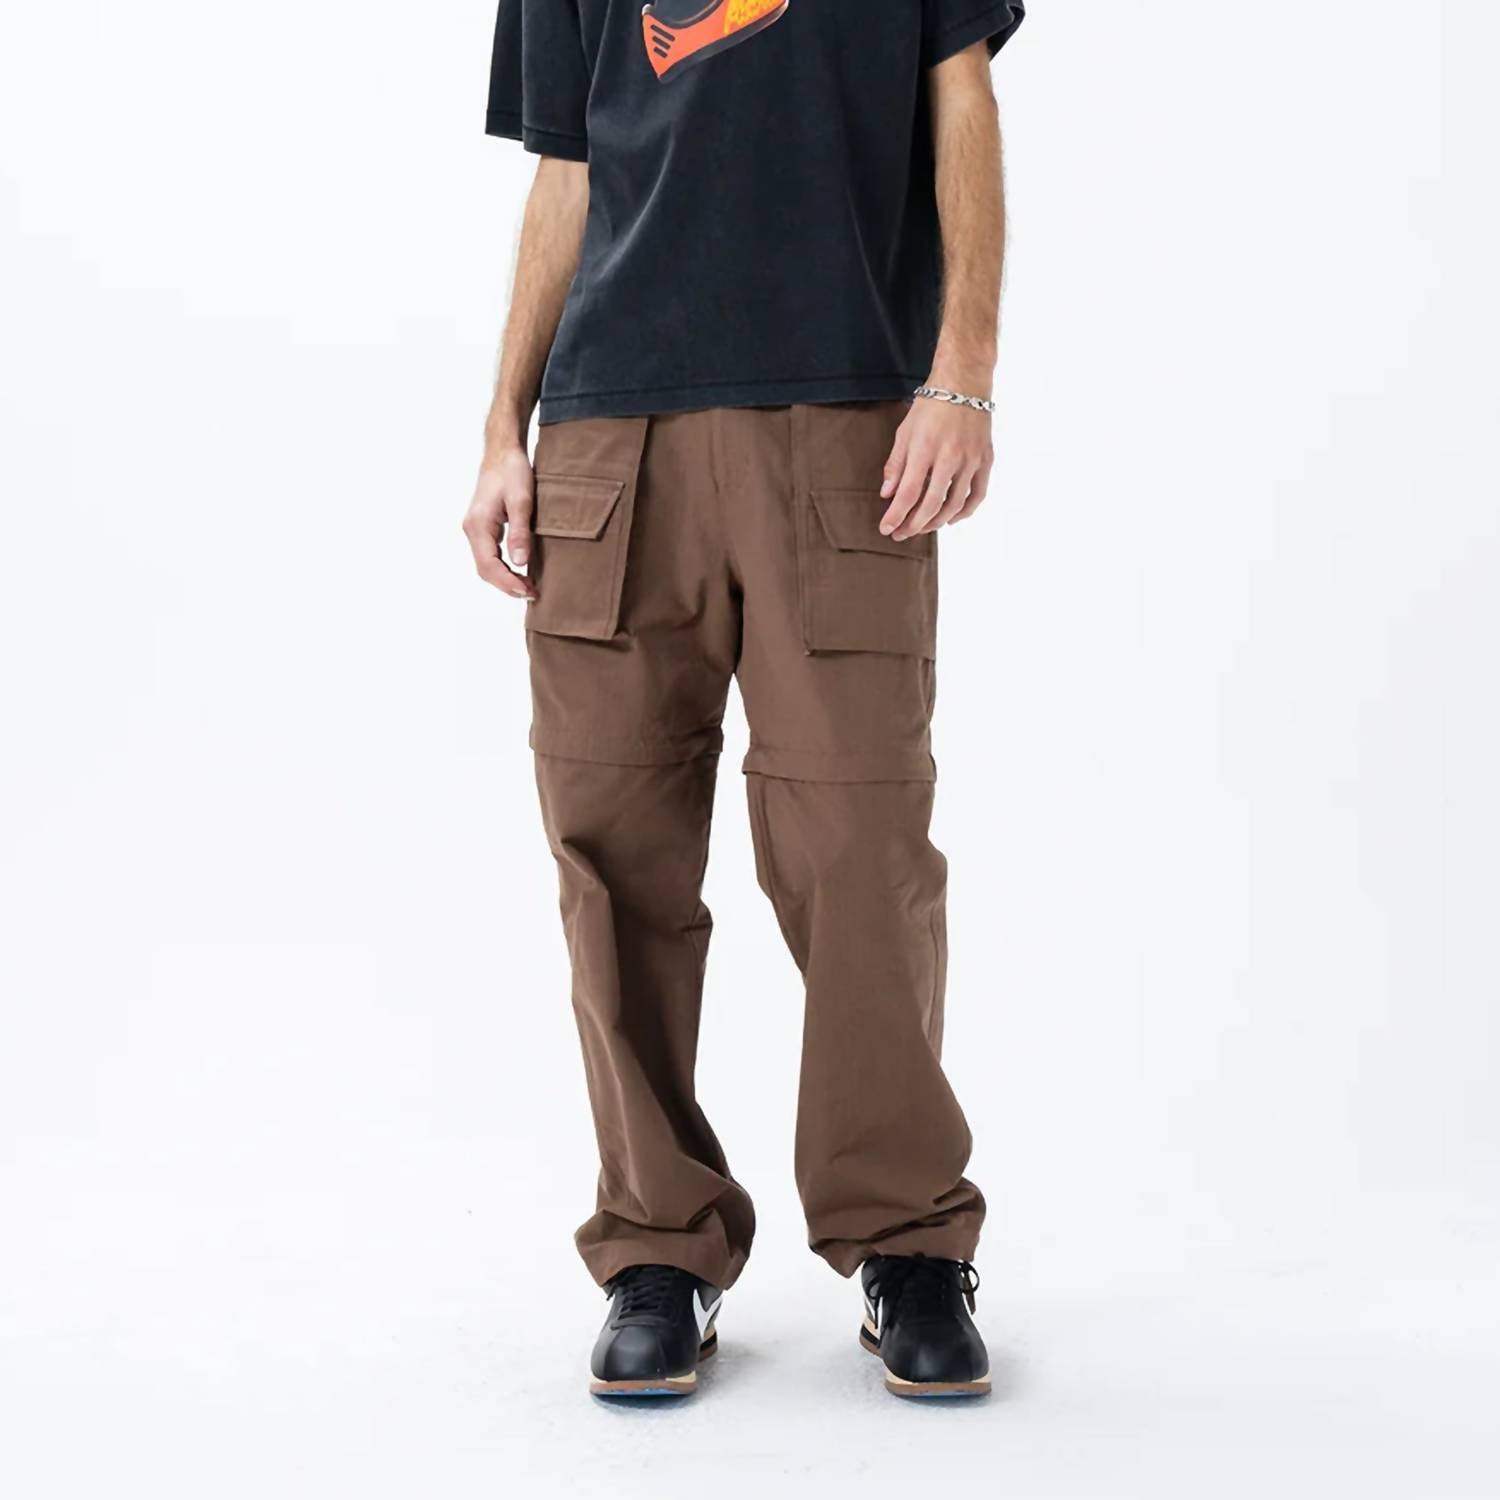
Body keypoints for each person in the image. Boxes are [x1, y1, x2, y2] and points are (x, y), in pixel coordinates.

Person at [465, 0, 1023, 1400]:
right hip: (607, 433)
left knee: (863, 845)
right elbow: (567, 169)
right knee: (613, 856)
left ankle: (906, 1238)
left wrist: (963, 373)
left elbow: (961, 98)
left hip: (845, 422)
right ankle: (658, 1246)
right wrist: (502, 429)